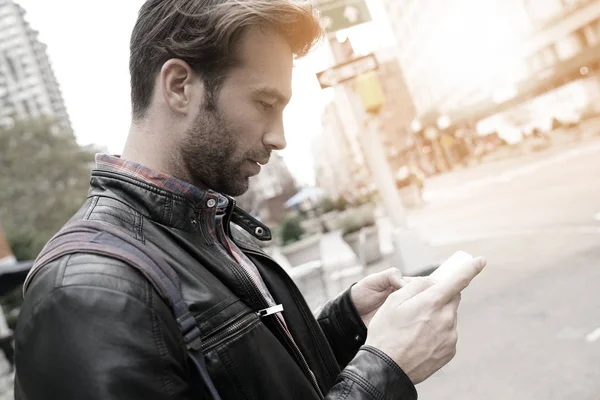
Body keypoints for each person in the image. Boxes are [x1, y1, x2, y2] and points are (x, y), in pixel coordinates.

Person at [14, 1, 487, 399]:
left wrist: (344, 326)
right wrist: (385, 371)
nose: (279, 137)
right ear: (180, 86)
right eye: (265, 104)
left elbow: (239, 378)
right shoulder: (86, 292)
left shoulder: (205, 226)